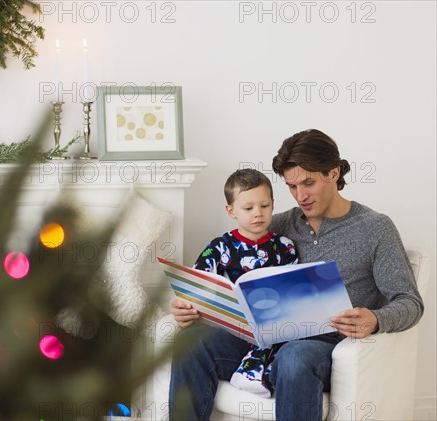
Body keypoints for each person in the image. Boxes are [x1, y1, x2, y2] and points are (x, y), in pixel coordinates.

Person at [169, 129, 424, 421]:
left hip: (325, 348)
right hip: (261, 344)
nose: (300, 195)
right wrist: (190, 306)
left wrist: (376, 319)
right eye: (291, 186)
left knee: (294, 356)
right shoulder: (276, 225)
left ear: (334, 172)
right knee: (193, 343)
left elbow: (410, 301)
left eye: (308, 183)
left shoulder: (375, 228)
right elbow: (228, 261)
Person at [189, 168, 299, 397]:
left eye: (265, 206)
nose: (258, 213)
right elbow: (196, 284)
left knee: (282, 336)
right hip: (231, 330)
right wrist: (186, 305)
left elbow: (292, 291)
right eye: (248, 208)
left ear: (273, 204)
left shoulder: (285, 247)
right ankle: (252, 371)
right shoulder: (219, 247)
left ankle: (257, 372)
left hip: (271, 328)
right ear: (231, 211)